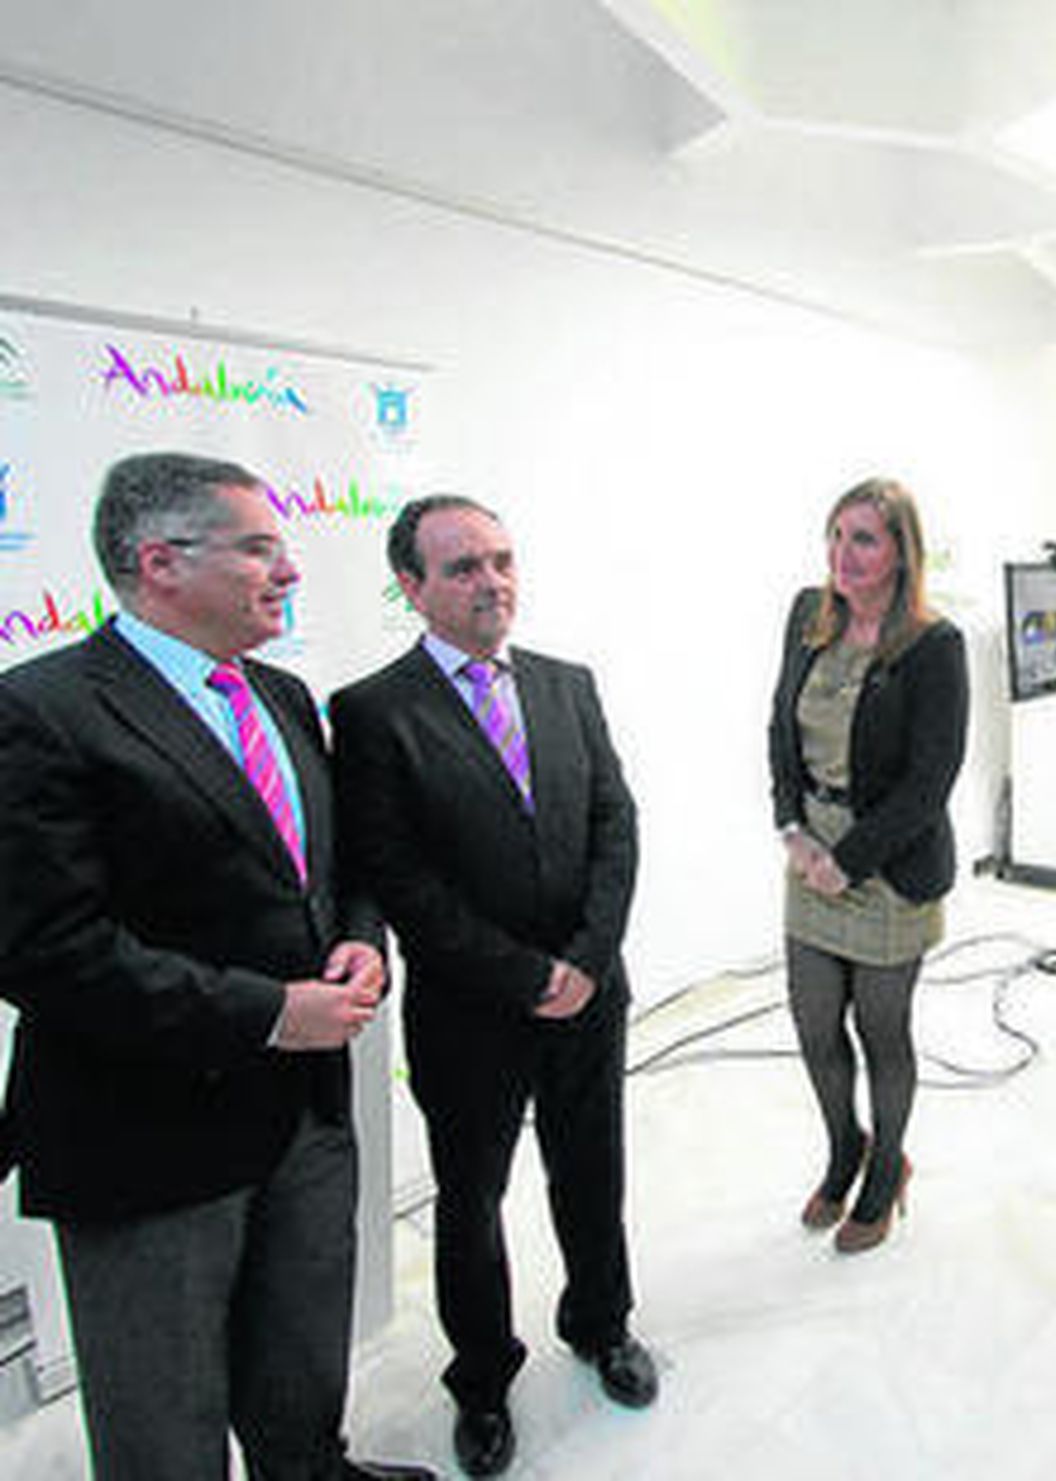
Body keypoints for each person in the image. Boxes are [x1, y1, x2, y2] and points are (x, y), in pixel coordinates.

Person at [0, 453, 434, 1480]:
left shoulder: (279, 693)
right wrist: (269, 1012)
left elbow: (335, 871)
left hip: (304, 1115)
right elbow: (46, 948)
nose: (288, 571)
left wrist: (360, 943)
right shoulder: (42, 710)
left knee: (299, 1360)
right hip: (148, 1132)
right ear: (161, 561)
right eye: (258, 547)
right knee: (164, 1422)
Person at [330, 496, 652, 1479]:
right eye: (463, 566)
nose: (491, 581)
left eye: (502, 560)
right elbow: (398, 875)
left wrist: (586, 961)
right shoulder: (373, 710)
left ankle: (602, 1323)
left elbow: (614, 822)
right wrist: (524, 975)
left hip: (589, 992)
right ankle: (481, 1377)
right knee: (471, 1199)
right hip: (471, 1011)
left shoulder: (566, 683)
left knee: (591, 1170)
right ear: (412, 586)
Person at [768, 477, 969, 1254]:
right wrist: (790, 826)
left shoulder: (933, 643)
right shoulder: (806, 614)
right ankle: (843, 1146)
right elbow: (777, 724)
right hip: (808, 849)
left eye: (864, 539)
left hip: (889, 862)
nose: (843, 555)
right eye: (836, 535)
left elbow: (930, 780)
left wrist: (846, 861)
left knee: (882, 1030)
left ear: (900, 553)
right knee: (815, 1023)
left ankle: (886, 1170)